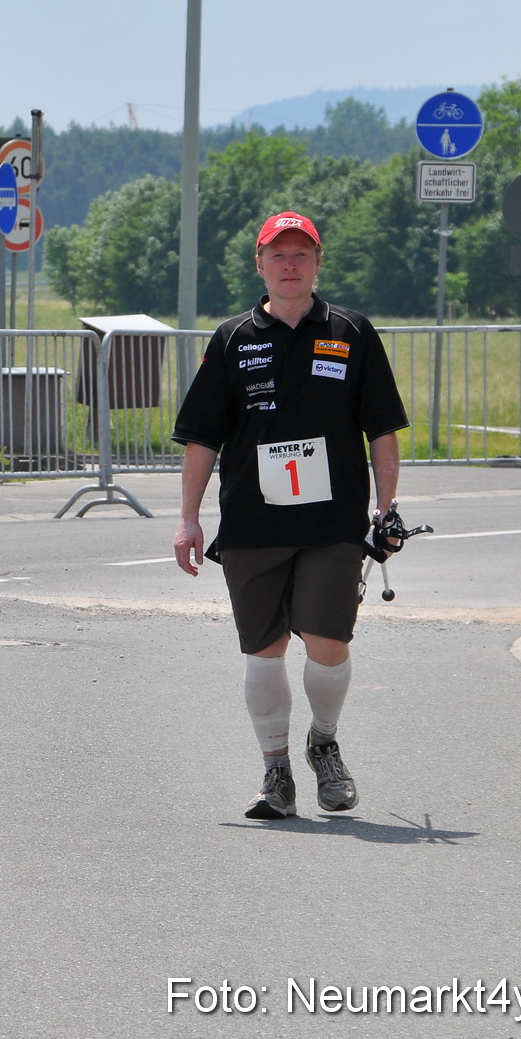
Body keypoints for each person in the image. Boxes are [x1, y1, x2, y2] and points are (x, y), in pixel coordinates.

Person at [171, 211, 409, 820]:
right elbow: (202, 437)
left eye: (301, 254)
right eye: (278, 255)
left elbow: (382, 428)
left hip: (333, 521)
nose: (289, 265)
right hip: (253, 521)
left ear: (317, 261)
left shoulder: (352, 333)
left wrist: (386, 507)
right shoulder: (232, 339)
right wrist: (188, 518)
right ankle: (275, 771)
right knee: (265, 648)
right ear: (259, 263)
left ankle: (323, 741)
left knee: (328, 642)